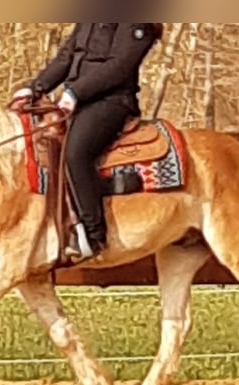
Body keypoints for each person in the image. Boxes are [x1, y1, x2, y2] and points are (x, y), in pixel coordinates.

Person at [10, 23, 164, 261]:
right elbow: (66, 56)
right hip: (77, 101)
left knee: (75, 152)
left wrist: (76, 92)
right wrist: (34, 88)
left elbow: (120, 67)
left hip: (111, 102)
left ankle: (93, 235)